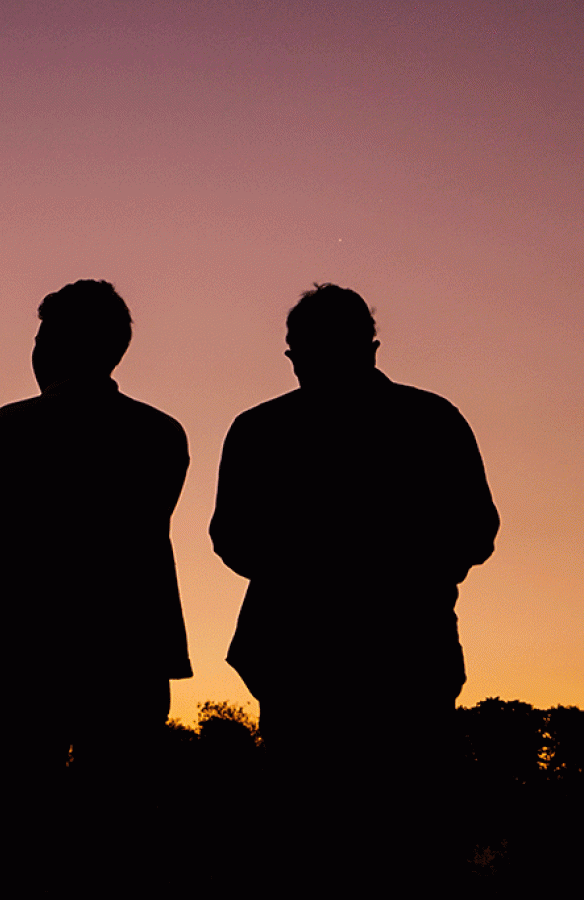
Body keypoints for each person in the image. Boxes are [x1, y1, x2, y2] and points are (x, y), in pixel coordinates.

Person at [209, 283, 500, 886]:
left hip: (312, 661)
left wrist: (310, 571)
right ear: (370, 344)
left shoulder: (260, 430)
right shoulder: (432, 420)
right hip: (399, 656)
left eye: (300, 351)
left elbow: (232, 539)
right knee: (402, 842)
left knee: (314, 841)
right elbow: (476, 531)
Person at [0, 279, 191, 894]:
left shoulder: (13, 428)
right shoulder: (161, 434)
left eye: (42, 337)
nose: (35, 351)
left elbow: (1, 538)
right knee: (117, 833)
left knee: (21, 829)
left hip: (30, 647)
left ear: (57, 346)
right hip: (129, 649)